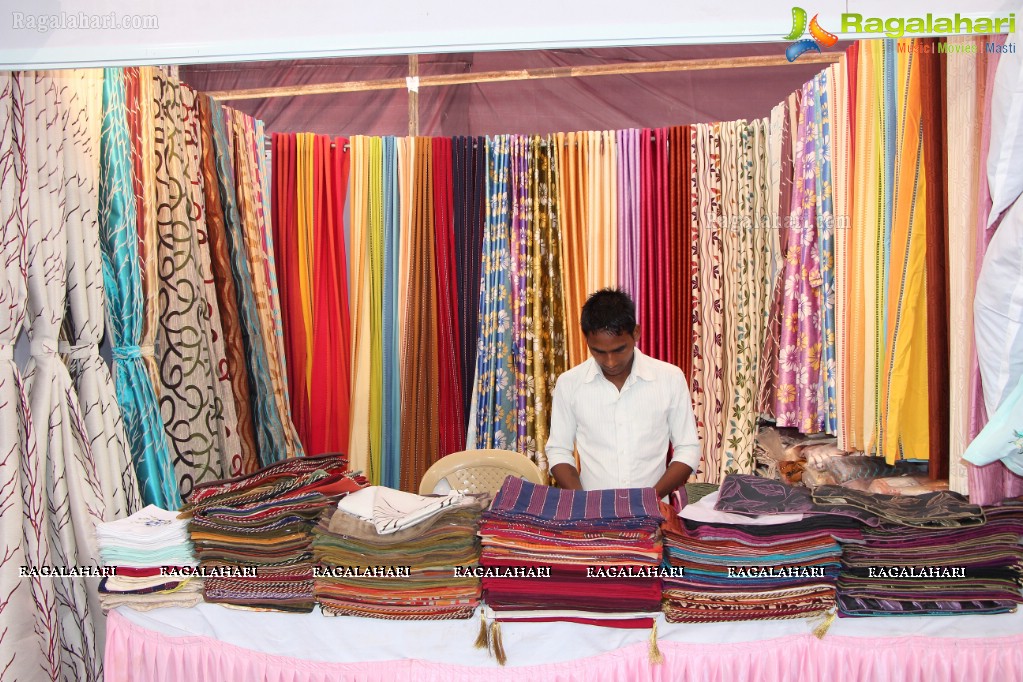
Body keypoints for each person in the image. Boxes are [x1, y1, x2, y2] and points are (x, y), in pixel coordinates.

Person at [545, 288, 702, 499]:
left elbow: (688, 448)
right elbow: (558, 450)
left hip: (653, 513)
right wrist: (583, 503)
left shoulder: (670, 378)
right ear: (587, 341)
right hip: (591, 514)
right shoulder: (570, 383)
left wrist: (649, 498)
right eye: (598, 351)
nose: (610, 362)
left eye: (619, 349)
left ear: (636, 333)